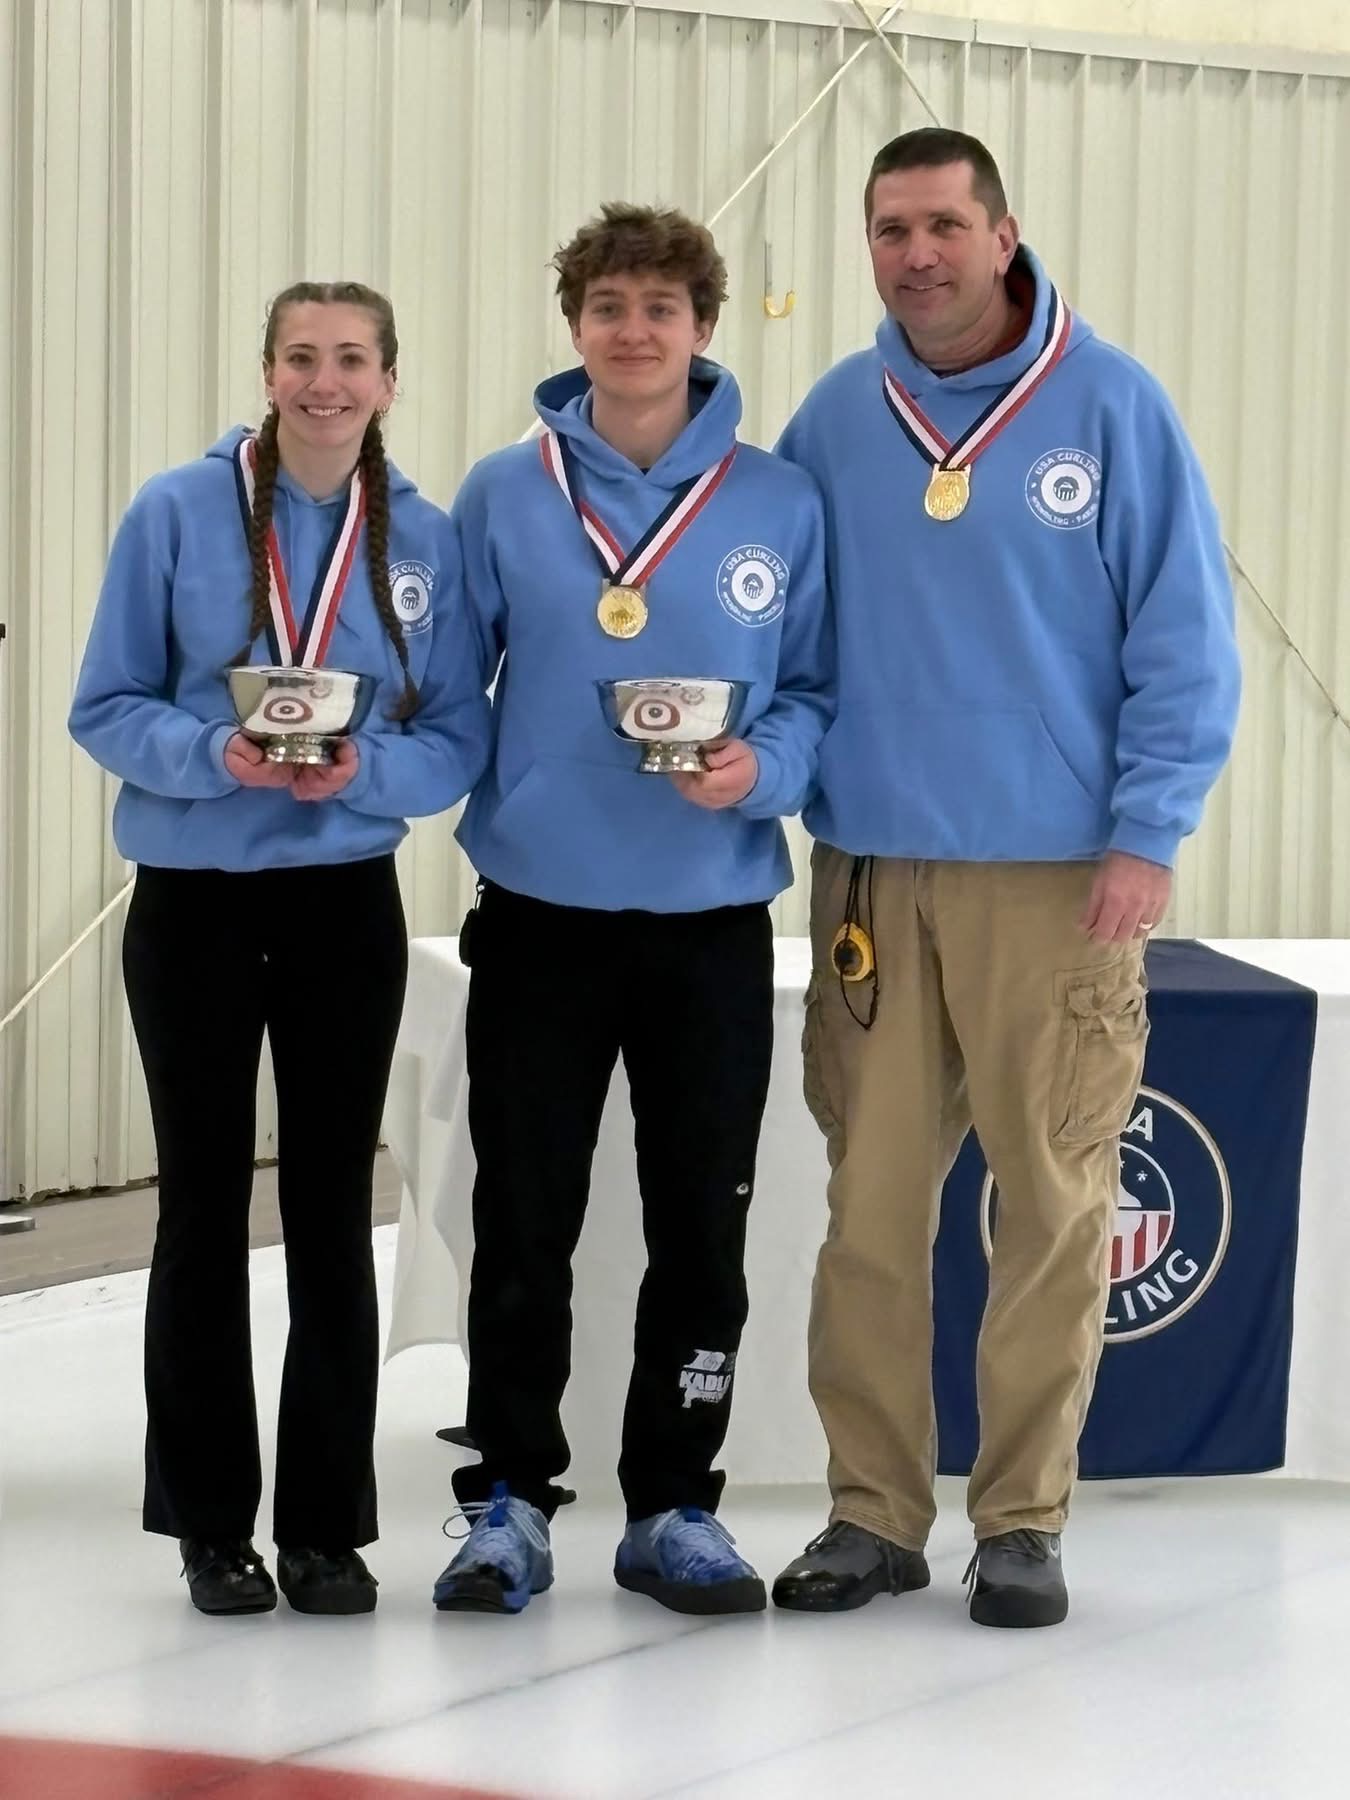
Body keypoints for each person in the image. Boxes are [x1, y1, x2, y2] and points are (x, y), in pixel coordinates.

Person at [769, 129, 1240, 1628]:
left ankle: (1021, 1519)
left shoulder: (1108, 405)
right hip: (874, 872)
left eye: (943, 225)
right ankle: (871, 1511)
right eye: (890, 229)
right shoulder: (837, 416)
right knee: (869, 1213)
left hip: (1053, 878)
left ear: (1002, 232)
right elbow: (782, 635)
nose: (917, 253)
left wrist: (1145, 831)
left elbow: (1182, 639)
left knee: (1050, 1205)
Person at [431, 203, 832, 1617]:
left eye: (662, 306)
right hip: (539, 911)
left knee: (697, 1231)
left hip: (707, 918)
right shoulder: (501, 491)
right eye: (608, 306)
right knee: (523, 1223)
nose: (635, 330)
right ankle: (505, 1503)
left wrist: (760, 765)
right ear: (574, 326)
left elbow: (813, 694)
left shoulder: (779, 502)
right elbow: (442, 693)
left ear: (704, 327)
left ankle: (673, 1504)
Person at [69, 281, 489, 1617]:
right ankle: (208, 1526)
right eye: (302, 358)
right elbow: (105, 704)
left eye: (352, 359)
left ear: (388, 380)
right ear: (266, 371)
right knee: (199, 1208)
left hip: (339, 904)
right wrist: (213, 752)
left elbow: (457, 737)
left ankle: (321, 1527)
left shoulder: (421, 537)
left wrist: (365, 770)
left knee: (327, 1211)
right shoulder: (175, 514)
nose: (326, 382)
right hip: (192, 903)